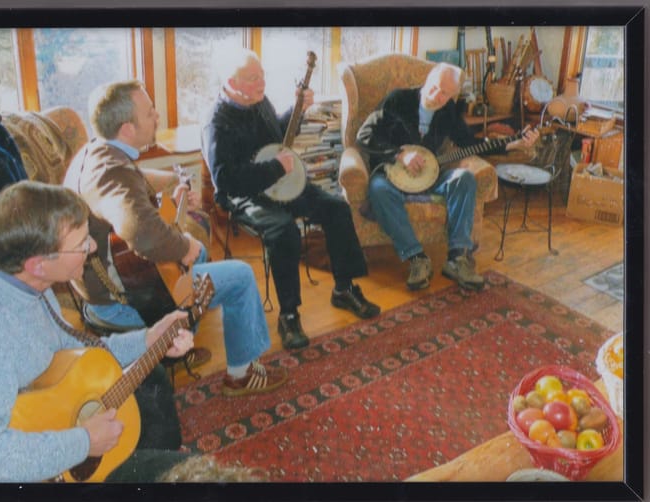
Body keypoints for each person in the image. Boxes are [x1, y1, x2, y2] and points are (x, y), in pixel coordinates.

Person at [0, 181, 195, 482]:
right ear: (39, 264)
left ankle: (143, 460)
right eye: (82, 243)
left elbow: (76, 351)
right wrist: (83, 443)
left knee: (153, 381)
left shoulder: (25, 282)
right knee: (201, 475)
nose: (93, 247)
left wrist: (148, 339)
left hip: (51, 428)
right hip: (21, 469)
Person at [64, 79, 287, 398]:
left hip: (106, 291)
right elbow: (142, 233)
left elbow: (135, 181)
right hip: (121, 304)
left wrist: (171, 184)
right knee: (239, 277)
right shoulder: (110, 173)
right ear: (127, 128)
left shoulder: (96, 152)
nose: (156, 117)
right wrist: (185, 246)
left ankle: (180, 339)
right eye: (150, 112)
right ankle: (241, 373)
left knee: (199, 259)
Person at [202, 48, 380, 351]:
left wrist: (297, 110)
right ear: (231, 83)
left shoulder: (258, 101)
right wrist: (275, 168)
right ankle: (289, 314)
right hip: (245, 195)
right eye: (253, 78)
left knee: (336, 209)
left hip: (279, 180)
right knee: (284, 230)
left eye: (262, 75)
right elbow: (226, 179)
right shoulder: (217, 122)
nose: (262, 83)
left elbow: (278, 137)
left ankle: (344, 288)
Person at [356, 62, 539, 291]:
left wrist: (514, 144)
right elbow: (363, 135)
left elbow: (470, 144)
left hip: (429, 176)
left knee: (464, 178)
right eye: (436, 88)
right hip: (393, 176)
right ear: (427, 80)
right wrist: (400, 154)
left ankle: (457, 259)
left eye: (446, 95)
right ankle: (416, 258)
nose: (438, 97)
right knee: (377, 189)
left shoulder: (447, 110)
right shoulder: (398, 100)